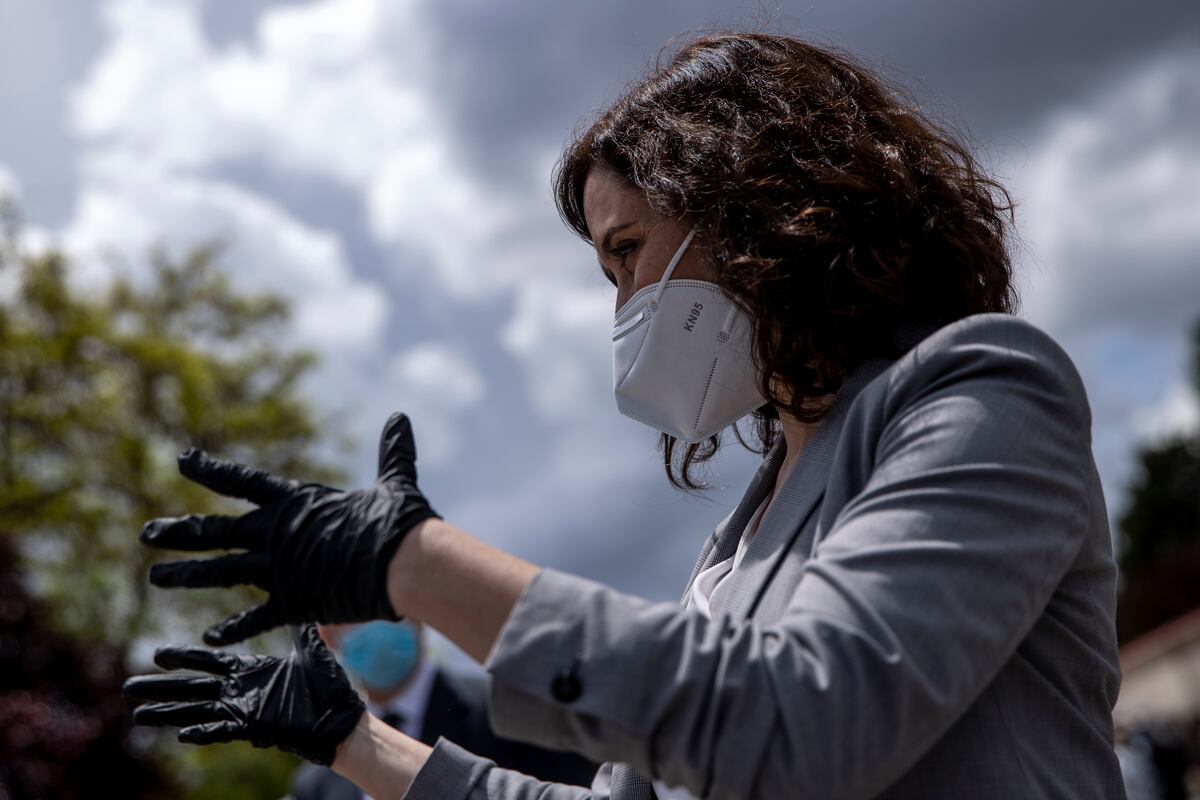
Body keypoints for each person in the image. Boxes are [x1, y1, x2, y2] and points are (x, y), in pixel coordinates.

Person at [122, 32, 1127, 799]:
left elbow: (809, 722)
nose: (623, 308)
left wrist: (415, 563)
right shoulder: (739, 535)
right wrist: (359, 744)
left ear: (759, 203)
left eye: (631, 251)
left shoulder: (984, 389)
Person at [290, 620, 597, 799]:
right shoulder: (316, 786)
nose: (374, 619)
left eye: (379, 599)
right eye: (353, 608)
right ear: (327, 634)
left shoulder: (521, 714)